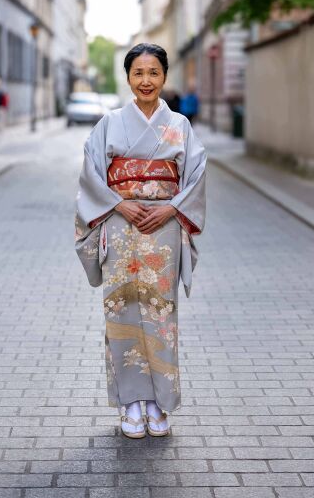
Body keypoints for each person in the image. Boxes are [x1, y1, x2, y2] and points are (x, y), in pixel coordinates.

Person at [74, 43, 207, 439]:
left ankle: (158, 403)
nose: (146, 80)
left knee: (160, 314)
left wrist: (172, 208)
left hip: (163, 229)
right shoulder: (109, 124)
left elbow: (197, 175)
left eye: (153, 72)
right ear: (128, 77)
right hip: (120, 225)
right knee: (122, 310)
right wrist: (119, 204)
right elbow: (91, 174)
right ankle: (131, 404)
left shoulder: (180, 126)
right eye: (138, 73)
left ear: (164, 77)